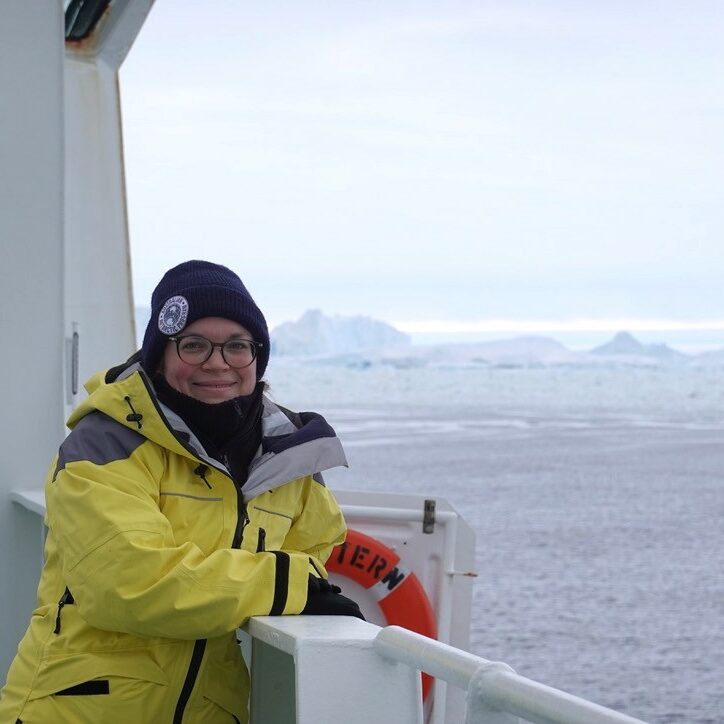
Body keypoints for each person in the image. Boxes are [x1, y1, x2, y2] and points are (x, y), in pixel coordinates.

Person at [0, 260, 362, 724]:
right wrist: (279, 584)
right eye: (193, 345)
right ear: (159, 356)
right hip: (81, 706)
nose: (217, 363)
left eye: (236, 346)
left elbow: (316, 550)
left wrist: (284, 584)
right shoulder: (105, 445)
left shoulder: (284, 458)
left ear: (258, 356)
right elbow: (129, 582)